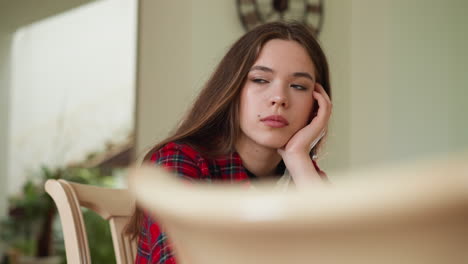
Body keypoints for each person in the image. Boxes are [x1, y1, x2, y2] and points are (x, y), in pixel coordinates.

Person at [127, 21, 332, 264]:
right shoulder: (178, 161)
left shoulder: (305, 177)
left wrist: (299, 157)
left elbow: (349, 254)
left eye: (298, 86)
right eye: (260, 80)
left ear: (317, 104)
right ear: (232, 89)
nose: (279, 98)